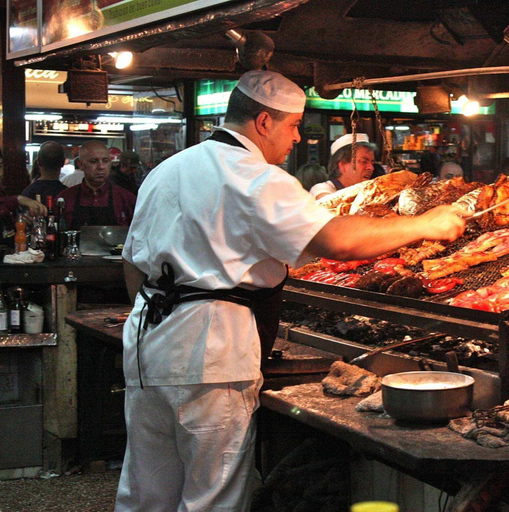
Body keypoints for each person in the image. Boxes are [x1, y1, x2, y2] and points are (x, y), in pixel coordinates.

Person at [116, 70, 465, 511]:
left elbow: (132, 262)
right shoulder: (256, 178)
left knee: (147, 492)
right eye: (294, 125)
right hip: (211, 353)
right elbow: (336, 240)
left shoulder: (169, 169)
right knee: (211, 496)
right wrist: (426, 224)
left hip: (148, 345)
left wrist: (160, 322)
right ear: (263, 122)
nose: (296, 138)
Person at [55, 140, 136, 229]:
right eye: (93, 161)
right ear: (81, 164)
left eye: (105, 161)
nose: (101, 167)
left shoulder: (126, 199)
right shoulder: (66, 198)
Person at [309, 133, 376, 199]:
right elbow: (329, 204)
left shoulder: (368, 193)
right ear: (342, 165)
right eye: (363, 162)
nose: (371, 168)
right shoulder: (322, 189)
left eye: (372, 163)